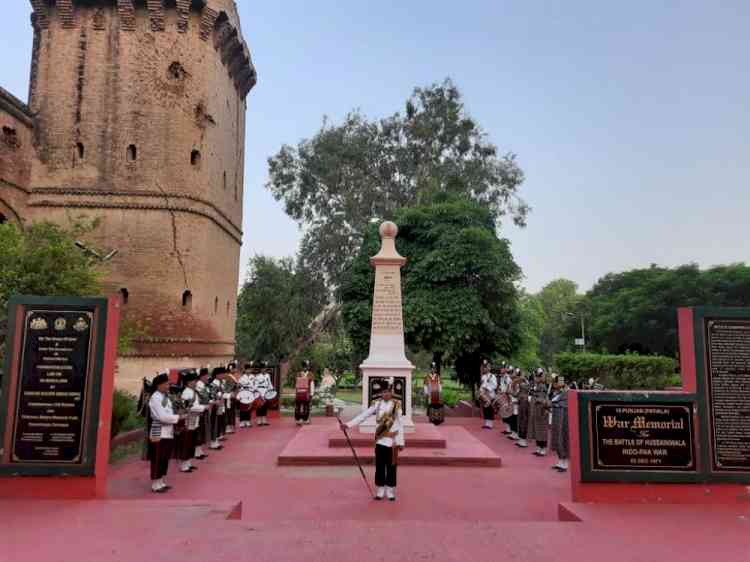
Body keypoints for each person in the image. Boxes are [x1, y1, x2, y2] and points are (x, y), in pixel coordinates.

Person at [342, 381, 405, 501]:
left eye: (388, 391)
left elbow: (400, 424)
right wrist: (348, 425)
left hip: (393, 441)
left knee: (392, 466)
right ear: (381, 393)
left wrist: (401, 442)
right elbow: (363, 416)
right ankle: (380, 489)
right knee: (380, 465)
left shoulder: (397, 405)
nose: (386, 394)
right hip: (381, 440)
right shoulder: (376, 404)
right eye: (384, 392)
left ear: (391, 392)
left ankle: (390, 490)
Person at [147, 372, 183, 493]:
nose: (168, 386)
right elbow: (162, 417)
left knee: (164, 458)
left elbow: (169, 413)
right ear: (159, 385)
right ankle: (155, 484)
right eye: (166, 384)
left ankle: (161, 481)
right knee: (157, 458)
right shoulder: (155, 398)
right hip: (159, 432)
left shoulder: (166, 397)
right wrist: (178, 418)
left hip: (168, 431)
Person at [177, 370, 205, 473]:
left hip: (194, 419)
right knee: (186, 442)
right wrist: (203, 407)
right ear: (188, 382)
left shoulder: (193, 392)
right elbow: (188, 407)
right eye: (193, 381)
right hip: (188, 420)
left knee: (191, 442)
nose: (195, 382)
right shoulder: (186, 393)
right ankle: (184, 465)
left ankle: (188, 463)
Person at [528, 368, 550, 456]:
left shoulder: (543, 386)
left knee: (542, 430)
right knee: (537, 429)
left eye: (537, 376)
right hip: (536, 409)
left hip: (542, 410)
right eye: (536, 376)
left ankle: (543, 449)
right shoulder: (536, 385)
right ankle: (538, 448)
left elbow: (544, 399)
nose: (535, 378)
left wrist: (537, 399)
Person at [550, 376, 569, 472]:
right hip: (556, 416)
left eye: (555, 383)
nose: (554, 384)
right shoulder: (556, 392)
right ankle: (560, 461)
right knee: (557, 437)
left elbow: (564, 404)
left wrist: (553, 404)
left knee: (562, 437)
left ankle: (565, 463)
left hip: (563, 418)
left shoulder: (567, 392)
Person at [194, 367, 216, 454]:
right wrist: (211, 402)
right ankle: (197, 451)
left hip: (204, 409)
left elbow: (208, 396)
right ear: (202, 376)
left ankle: (199, 451)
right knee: (199, 430)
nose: (208, 377)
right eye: (207, 375)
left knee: (202, 430)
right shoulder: (199, 385)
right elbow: (204, 398)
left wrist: (212, 401)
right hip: (200, 410)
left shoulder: (203, 385)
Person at [294, 361, 315, 426]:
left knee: (306, 406)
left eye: (306, 366)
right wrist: (296, 392)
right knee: (298, 406)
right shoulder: (299, 374)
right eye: (304, 366)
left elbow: (312, 384)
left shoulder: (310, 374)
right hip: (299, 393)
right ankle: (298, 419)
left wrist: (312, 393)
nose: (305, 368)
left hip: (307, 393)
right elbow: (296, 384)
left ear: (308, 367)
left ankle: (305, 419)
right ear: (302, 367)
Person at [479, 360, 497, 429]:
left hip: (490, 395)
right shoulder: (483, 376)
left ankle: (490, 424)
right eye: (484, 367)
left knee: (490, 409)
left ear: (489, 368)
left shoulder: (492, 376)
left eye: (487, 367)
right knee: (485, 409)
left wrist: (488, 388)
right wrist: (481, 391)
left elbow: (495, 385)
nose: (485, 368)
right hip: (484, 395)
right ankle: (486, 423)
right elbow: (482, 385)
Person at [515, 373, 531, 448]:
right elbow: (516, 394)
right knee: (520, 421)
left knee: (523, 421)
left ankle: (523, 441)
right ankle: (521, 440)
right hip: (521, 405)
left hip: (524, 406)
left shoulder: (525, 398)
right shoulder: (521, 395)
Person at [237, 363, 256, 428]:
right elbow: (239, 385)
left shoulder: (253, 377)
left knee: (249, 408)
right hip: (243, 393)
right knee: (242, 407)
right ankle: (242, 421)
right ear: (245, 370)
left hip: (250, 393)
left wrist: (253, 390)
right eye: (247, 369)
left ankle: (248, 421)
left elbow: (255, 385)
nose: (248, 371)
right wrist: (241, 389)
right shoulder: (242, 377)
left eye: (249, 369)